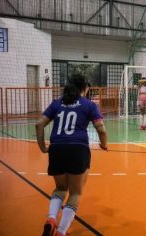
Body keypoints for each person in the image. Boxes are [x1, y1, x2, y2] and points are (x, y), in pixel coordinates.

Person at [36, 74, 108, 236]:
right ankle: (61, 232)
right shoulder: (89, 104)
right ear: (84, 88)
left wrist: (42, 147)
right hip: (78, 149)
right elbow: (101, 129)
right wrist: (104, 145)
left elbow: (39, 124)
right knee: (75, 193)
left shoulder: (57, 103)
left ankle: (51, 218)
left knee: (60, 189)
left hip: (56, 149)